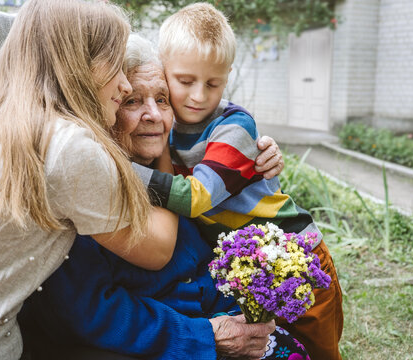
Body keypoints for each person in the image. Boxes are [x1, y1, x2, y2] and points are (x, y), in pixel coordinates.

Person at [0, 1, 180, 359]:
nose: (122, 84)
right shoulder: (67, 146)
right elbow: (157, 250)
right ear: (75, 61)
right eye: (113, 63)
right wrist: (170, 156)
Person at [18, 34, 310, 360]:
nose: (154, 116)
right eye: (131, 101)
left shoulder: (181, 164)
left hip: (231, 319)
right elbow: (90, 313)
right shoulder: (81, 188)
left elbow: (222, 127)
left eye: (162, 99)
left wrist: (256, 147)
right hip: (182, 342)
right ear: (102, 108)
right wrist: (205, 336)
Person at [128, 3, 343, 359]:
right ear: (163, 67)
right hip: (250, 265)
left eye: (213, 83)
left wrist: (114, 169)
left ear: (228, 75)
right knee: (276, 347)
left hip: (297, 257)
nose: (198, 95)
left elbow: (196, 198)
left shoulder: (234, 127)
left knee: (319, 350)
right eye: (184, 81)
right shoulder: (168, 123)